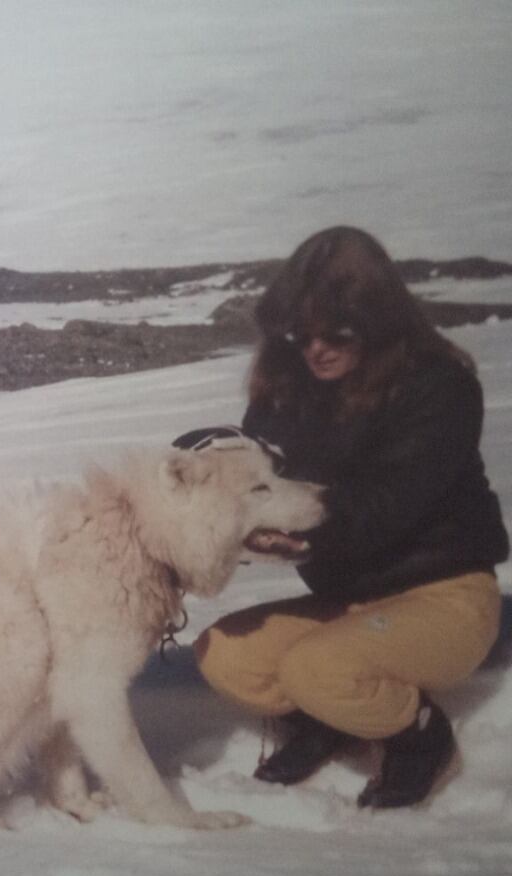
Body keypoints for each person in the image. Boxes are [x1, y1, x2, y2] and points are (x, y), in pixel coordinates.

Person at [194, 225, 508, 809]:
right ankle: (333, 715)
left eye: (337, 332)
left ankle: (418, 736)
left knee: (320, 668)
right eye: (301, 333)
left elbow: (385, 508)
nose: (317, 349)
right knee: (224, 653)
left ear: (379, 322)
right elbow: (254, 482)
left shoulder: (440, 387)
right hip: (346, 600)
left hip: (443, 596)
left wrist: (287, 529)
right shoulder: (288, 388)